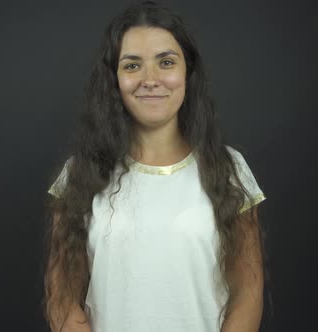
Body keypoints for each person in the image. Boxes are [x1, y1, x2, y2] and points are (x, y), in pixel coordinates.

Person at [43, 1, 267, 331]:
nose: (150, 79)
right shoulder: (80, 172)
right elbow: (61, 294)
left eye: (166, 62)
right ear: (115, 78)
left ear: (187, 72)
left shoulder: (229, 168)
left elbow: (248, 291)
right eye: (132, 66)